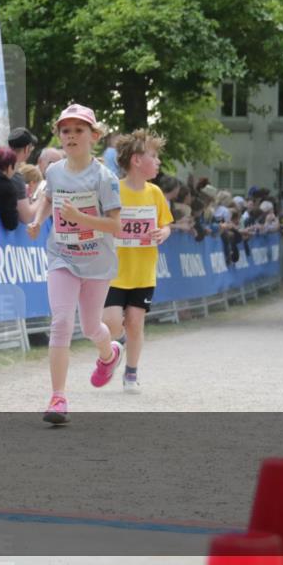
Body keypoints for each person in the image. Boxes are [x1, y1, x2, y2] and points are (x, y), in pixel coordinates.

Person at [27, 104, 121, 424]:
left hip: (96, 260)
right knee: (62, 320)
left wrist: (80, 218)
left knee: (91, 326)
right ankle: (58, 397)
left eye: (78, 130)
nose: (70, 136)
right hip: (62, 255)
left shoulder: (104, 178)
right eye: (65, 131)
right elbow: (49, 198)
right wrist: (39, 220)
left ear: (93, 136)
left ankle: (109, 356)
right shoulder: (54, 171)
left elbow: (115, 225)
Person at [102, 129, 173, 394]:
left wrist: (162, 233)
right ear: (136, 160)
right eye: (153, 156)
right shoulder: (113, 190)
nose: (158, 162)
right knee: (110, 322)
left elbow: (166, 225)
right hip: (114, 271)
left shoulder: (155, 193)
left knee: (135, 322)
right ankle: (114, 348)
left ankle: (131, 373)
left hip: (143, 272)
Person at [7, 127, 37, 224]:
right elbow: (26, 217)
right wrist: (43, 199)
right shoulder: (14, 175)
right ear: (27, 149)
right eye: (31, 148)